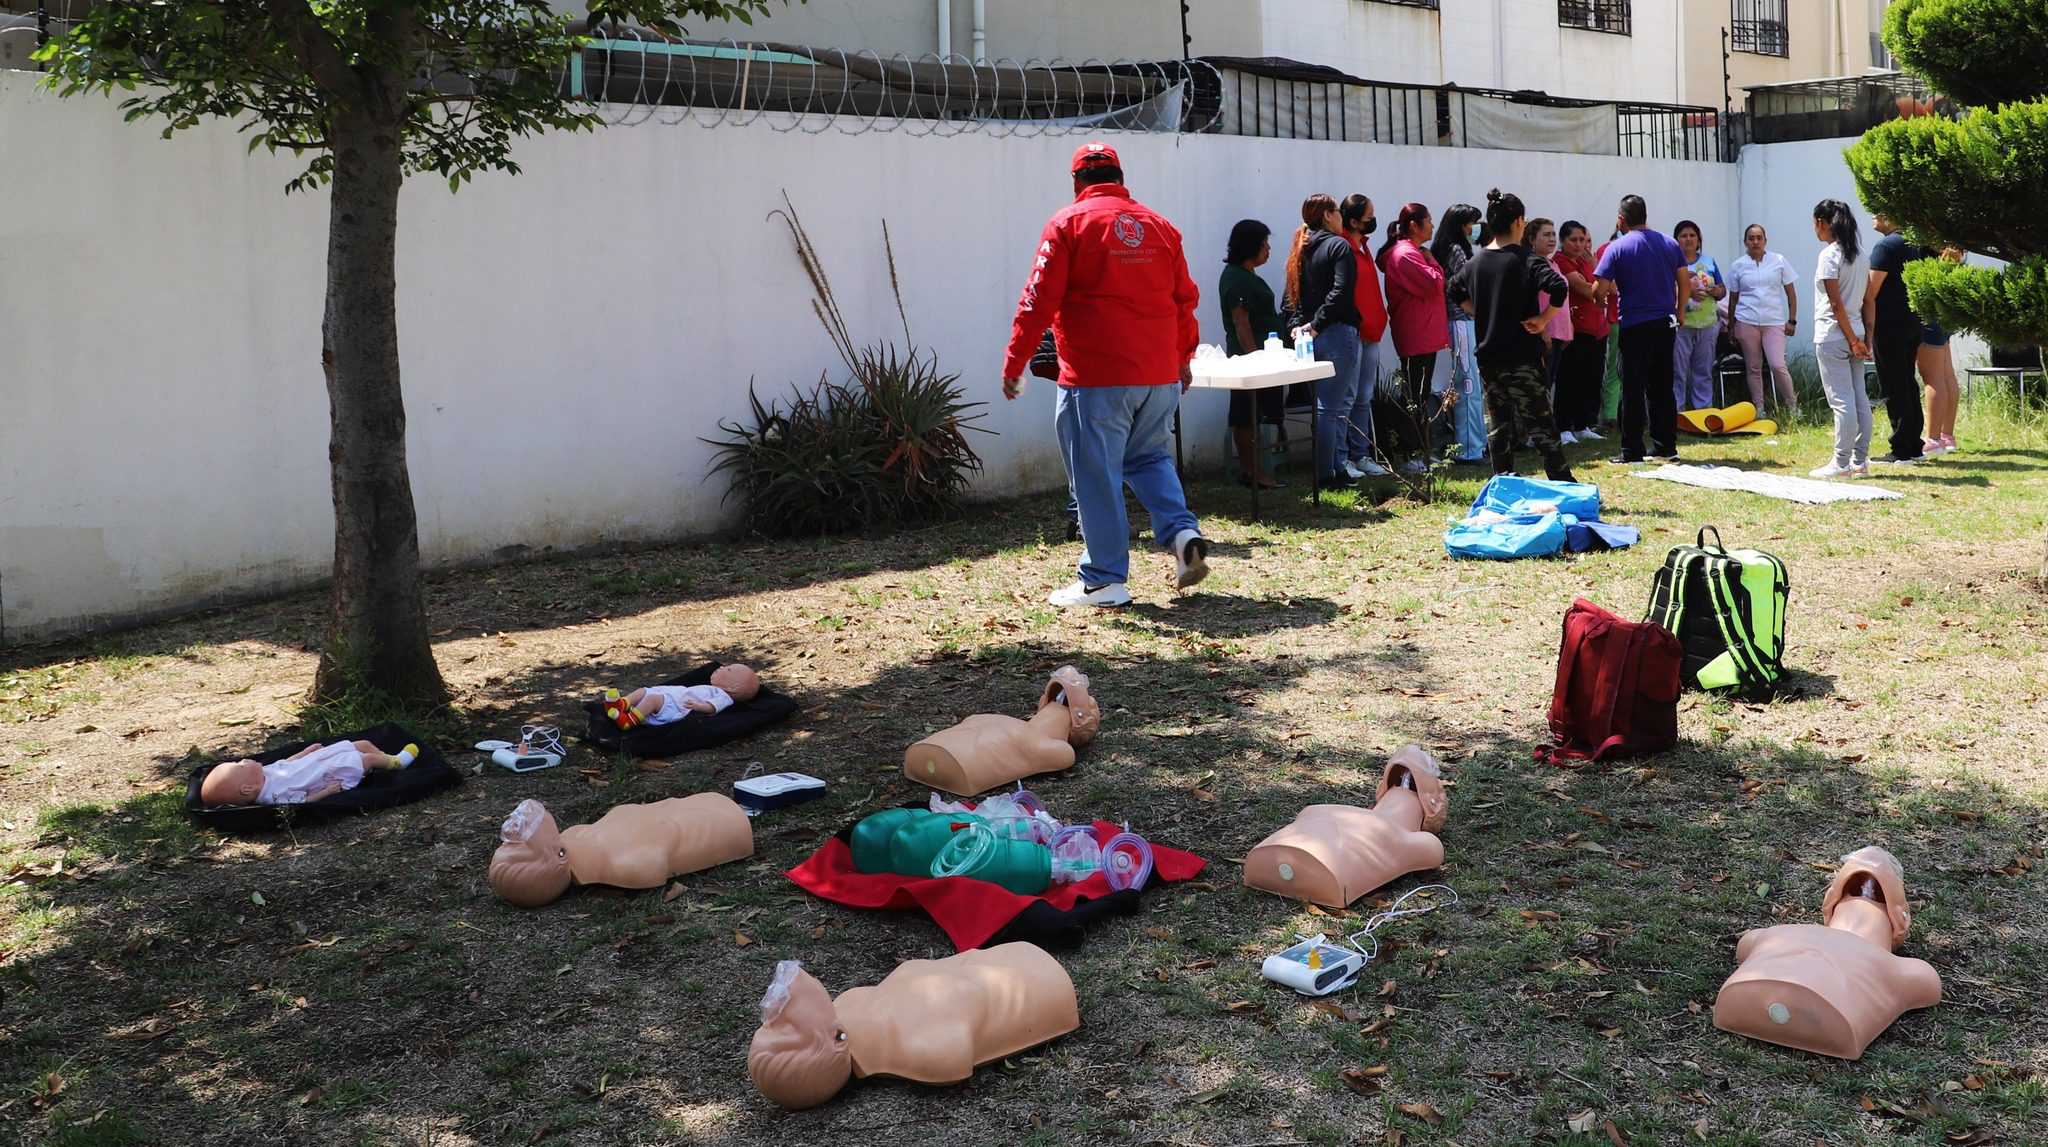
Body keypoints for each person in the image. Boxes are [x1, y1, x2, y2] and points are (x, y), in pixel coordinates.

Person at [1001, 141, 1208, 607]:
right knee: (1149, 458)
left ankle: (1104, 579)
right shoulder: (1160, 226)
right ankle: (1181, 535)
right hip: (1158, 376)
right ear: (1120, 176)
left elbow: (1037, 301)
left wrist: (1015, 364)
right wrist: (1183, 360)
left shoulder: (1067, 224)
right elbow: (1184, 300)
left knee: (1095, 475)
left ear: (1077, 182)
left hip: (1095, 375)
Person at [1445, 189, 1576, 482]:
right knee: (1541, 426)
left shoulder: (1475, 262)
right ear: (1519, 222)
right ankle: (1564, 485)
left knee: (1498, 427)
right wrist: (1543, 320)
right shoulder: (1525, 259)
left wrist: (1479, 311)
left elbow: (1453, 289)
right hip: (1521, 360)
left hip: (1489, 359)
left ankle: (1502, 480)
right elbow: (1559, 286)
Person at [1594, 195, 1691, 464]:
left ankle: (1632, 450)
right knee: (1662, 386)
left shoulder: (1617, 247)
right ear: (1646, 216)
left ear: (1621, 219)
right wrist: (1680, 311)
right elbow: (1685, 281)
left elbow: (1599, 288)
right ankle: (1666, 447)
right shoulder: (1669, 243)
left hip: (1635, 324)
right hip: (1664, 322)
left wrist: (1598, 297)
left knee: (1633, 387)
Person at [1284, 193, 1366, 492]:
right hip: (1334, 331)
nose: (1341, 217)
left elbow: (1289, 296)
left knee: (1328, 407)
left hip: (1308, 337)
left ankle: (1336, 467)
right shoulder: (1338, 245)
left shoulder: (1301, 248)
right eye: (1337, 211)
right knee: (1331, 408)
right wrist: (1316, 325)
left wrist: (1297, 327)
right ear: (1328, 216)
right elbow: (1341, 291)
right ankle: (1327, 474)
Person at [1377, 204, 1453, 471]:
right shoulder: (1405, 254)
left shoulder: (1411, 252)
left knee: (1419, 392)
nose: (1432, 226)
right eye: (1428, 221)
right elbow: (1433, 284)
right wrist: (1432, 260)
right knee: (1415, 393)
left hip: (1422, 331)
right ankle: (1411, 453)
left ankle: (1420, 450)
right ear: (1414, 225)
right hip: (1415, 333)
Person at [1217, 219, 1287, 488]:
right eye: (1264, 243)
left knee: (1255, 416)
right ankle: (1253, 472)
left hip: (1263, 356)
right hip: (1249, 360)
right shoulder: (1236, 277)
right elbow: (1241, 322)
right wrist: (1255, 358)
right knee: (1246, 418)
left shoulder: (1247, 275)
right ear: (1251, 246)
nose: (1269, 249)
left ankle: (1254, 470)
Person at [1808, 198, 1872, 479]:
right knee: (1859, 399)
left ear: (1822, 223)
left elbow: (1835, 305)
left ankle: (1841, 463)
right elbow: (1870, 300)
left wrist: (1855, 340)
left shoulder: (1829, 256)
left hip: (1834, 335)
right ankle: (1859, 461)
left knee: (1843, 402)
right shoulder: (1861, 254)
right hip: (1855, 332)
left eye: (1816, 225)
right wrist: (1865, 339)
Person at [1863, 214, 1929, 464]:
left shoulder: (1885, 246)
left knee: (1893, 384)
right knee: (1907, 382)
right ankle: (1914, 445)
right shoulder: (1912, 243)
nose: (1873, 217)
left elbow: (1872, 289)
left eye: (1877, 212)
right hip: (1912, 320)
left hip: (1889, 323)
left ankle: (1901, 449)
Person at [1339, 193, 1393, 478]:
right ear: (1353, 220)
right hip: (1353, 332)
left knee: (1363, 397)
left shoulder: (1364, 247)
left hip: (1373, 331)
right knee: (1347, 397)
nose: (1373, 220)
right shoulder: (1343, 247)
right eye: (1368, 216)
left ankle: (1360, 455)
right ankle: (1343, 458)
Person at [1432, 203, 1488, 467]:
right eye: (1471, 224)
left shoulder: (1452, 248)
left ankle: (1475, 443)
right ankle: (1469, 448)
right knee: (1468, 384)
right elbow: (1467, 281)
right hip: (1460, 321)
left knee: (1471, 383)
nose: (1474, 229)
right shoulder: (1455, 250)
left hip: (1464, 322)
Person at [199, 740, 418, 807]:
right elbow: (303, 801)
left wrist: (305, 752)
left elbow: (287, 762)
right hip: (328, 774)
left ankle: (386, 756)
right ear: (248, 788)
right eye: (240, 765)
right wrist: (326, 793)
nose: (244, 760)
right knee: (365, 760)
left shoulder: (264, 773)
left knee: (362, 744)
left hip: (318, 760)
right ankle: (397, 763)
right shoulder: (274, 795)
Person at [1725, 224, 1800, 417]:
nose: (1755, 242)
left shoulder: (1779, 261)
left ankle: (1793, 407)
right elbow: (1733, 298)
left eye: (1759, 238)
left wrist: (1792, 320)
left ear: (1765, 240)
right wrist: (1731, 327)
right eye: (1751, 238)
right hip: (1746, 320)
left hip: (1773, 321)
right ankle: (1759, 408)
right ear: (1745, 242)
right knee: (1753, 367)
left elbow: (1791, 293)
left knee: (1777, 364)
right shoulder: (1738, 265)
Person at [1553, 220, 1608, 442]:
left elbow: (1609, 287)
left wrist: (1594, 263)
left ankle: (1582, 424)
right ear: (1563, 241)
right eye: (1573, 240)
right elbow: (1587, 290)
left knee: (1590, 378)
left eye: (1583, 240)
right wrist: (1598, 285)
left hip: (1596, 328)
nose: (1579, 245)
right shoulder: (1561, 261)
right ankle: (1564, 426)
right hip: (1576, 328)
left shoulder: (1586, 262)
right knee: (1569, 378)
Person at [1523, 218, 1576, 443]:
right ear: (1532, 240)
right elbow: (1532, 301)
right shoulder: (1533, 265)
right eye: (1546, 235)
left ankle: (1544, 431)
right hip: (1545, 334)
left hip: (1559, 334)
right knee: (1540, 385)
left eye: (1553, 234)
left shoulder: (1552, 264)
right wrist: (1543, 330)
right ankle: (1534, 434)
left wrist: (1568, 328)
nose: (1552, 239)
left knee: (1550, 382)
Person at [1672, 220, 1727, 411]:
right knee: (1677, 371)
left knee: (1703, 371)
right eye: (1683, 236)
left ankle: (1703, 411)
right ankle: (1676, 412)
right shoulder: (1671, 262)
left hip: (1708, 325)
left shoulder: (1709, 261)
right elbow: (1666, 290)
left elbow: (1722, 289)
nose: (1688, 239)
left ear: (1698, 240)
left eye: (1692, 235)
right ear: (1676, 240)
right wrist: (1687, 291)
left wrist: (1716, 291)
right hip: (1682, 325)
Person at [604, 663, 761, 729]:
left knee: (651, 699)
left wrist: (699, 707)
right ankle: (622, 704)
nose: (721, 667)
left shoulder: (724, 697)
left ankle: (628, 721)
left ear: (734, 687)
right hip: (669, 698)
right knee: (643, 691)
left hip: (675, 708)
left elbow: (713, 708)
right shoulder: (712, 688)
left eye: (728, 670)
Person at [1918, 246, 1965, 455]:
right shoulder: (1953, 240)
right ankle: (1946, 436)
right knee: (1946, 374)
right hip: (1944, 308)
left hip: (1931, 310)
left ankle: (1933, 438)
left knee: (1932, 377)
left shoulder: (1932, 238)